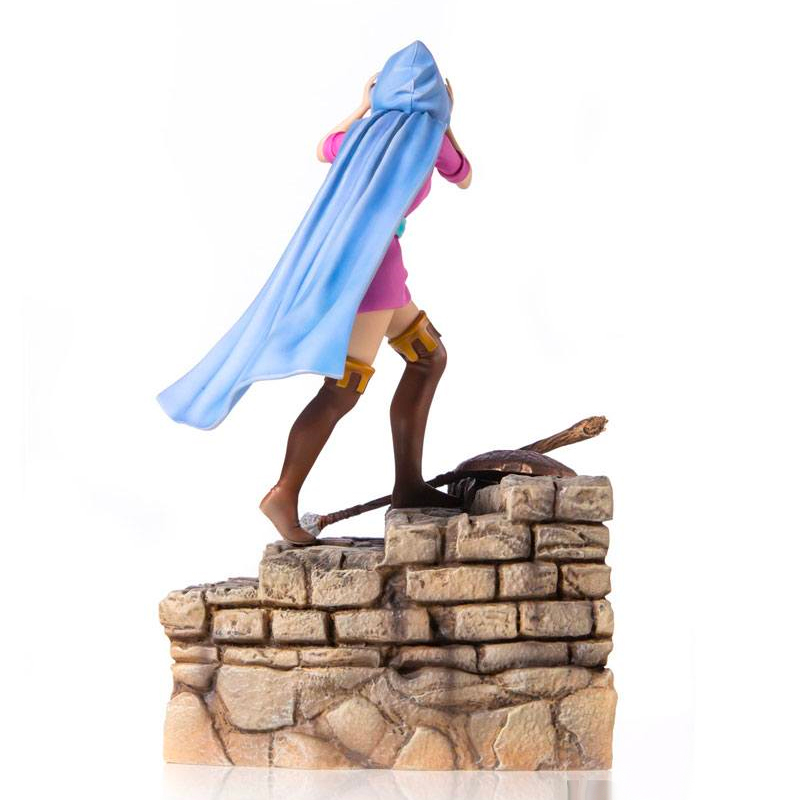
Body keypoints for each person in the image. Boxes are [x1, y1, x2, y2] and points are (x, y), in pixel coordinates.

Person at [157, 41, 471, 546]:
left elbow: (324, 145)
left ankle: (408, 485)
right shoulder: (430, 138)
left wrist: (364, 107)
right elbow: (463, 174)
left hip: (379, 273)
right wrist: (445, 120)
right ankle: (283, 493)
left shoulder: (362, 135)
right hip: (376, 279)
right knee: (342, 390)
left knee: (427, 359)